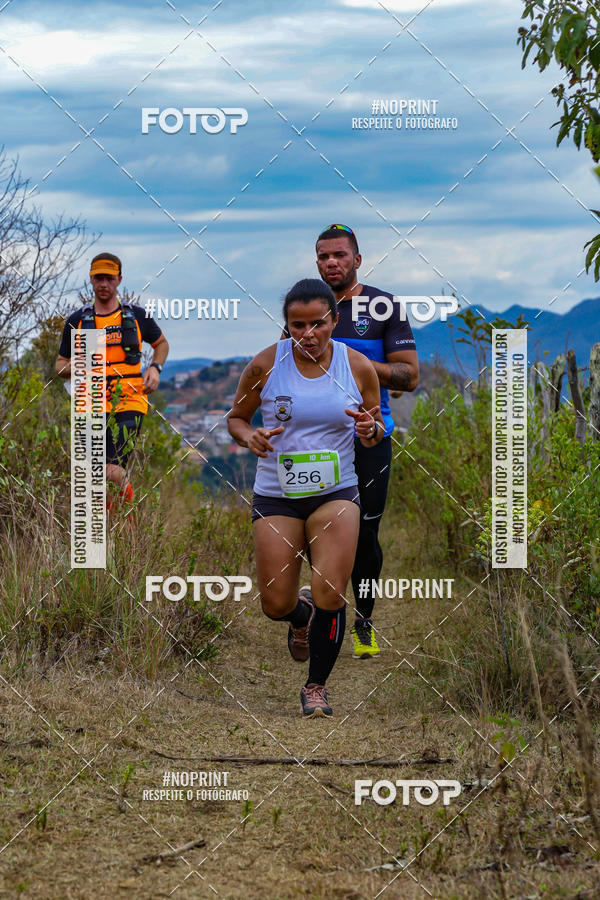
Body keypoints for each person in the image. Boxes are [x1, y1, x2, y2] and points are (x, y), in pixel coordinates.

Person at [228, 278, 383, 718]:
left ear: (334, 320)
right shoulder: (264, 365)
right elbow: (236, 419)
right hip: (277, 493)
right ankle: (300, 617)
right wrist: (250, 436)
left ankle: (316, 687)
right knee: (275, 602)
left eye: (318, 323)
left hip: (337, 492)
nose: (308, 333)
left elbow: (373, 429)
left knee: (331, 590)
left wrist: (370, 432)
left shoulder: (357, 367)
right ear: (287, 325)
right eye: (298, 325)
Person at [315, 224, 419, 659]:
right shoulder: (309, 307)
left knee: (366, 533)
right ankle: (320, 614)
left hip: (371, 435)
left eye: (339, 255)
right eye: (323, 256)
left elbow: (409, 376)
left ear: (357, 259)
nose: (331, 262)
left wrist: (352, 362)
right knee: (316, 528)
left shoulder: (383, 306)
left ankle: (364, 622)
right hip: (315, 440)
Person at [55, 252, 169, 508]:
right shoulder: (77, 321)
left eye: (108, 278)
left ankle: (132, 517)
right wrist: (71, 367)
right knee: (95, 478)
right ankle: (112, 528)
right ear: (91, 280)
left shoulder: (137, 315)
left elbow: (161, 344)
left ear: (119, 279)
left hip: (129, 401)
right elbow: (59, 366)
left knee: (113, 472)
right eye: (98, 278)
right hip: (91, 405)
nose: (103, 284)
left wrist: (156, 368)